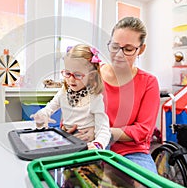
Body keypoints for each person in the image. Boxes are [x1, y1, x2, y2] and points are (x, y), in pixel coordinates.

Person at [67, 17, 160, 173]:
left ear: (141, 49)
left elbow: (143, 130)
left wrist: (102, 132)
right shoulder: (91, 74)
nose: (119, 55)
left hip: (130, 152)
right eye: (115, 46)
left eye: (128, 49)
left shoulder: (148, 82)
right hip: (88, 145)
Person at [30, 44, 111, 150]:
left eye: (78, 75)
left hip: (89, 145)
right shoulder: (63, 92)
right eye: (68, 73)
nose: (71, 80)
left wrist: (97, 144)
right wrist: (42, 115)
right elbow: (49, 108)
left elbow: (104, 129)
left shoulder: (95, 98)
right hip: (69, 142)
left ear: (91, 75)